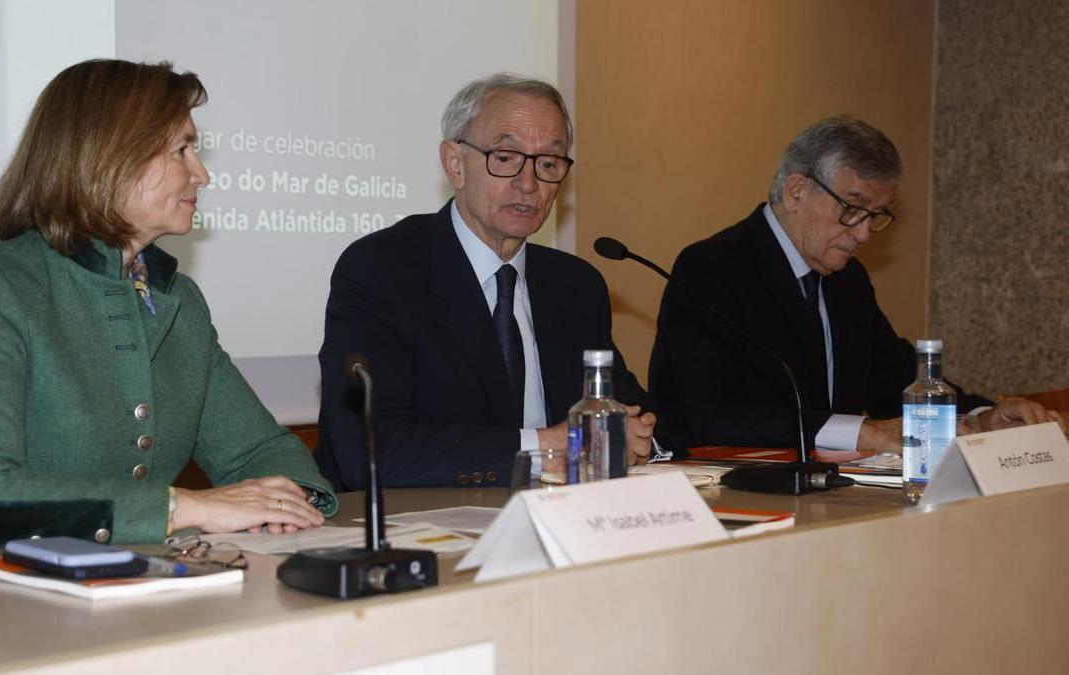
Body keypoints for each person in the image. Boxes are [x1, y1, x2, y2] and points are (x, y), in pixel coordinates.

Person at [0, 59, 336, 547]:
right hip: (0, 599)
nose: (202, 175)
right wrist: (186, 507)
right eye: (182, 150)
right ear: (108, 157)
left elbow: (261, 450)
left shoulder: (178, 299)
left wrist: (284, 508)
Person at [315, 73, 683, 490]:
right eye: (506, 157)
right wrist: (544, 446)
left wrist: (641, 438)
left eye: (548, 163)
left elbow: (639, 412)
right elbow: (372, 450)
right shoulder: (383, 269)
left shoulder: (575, 286)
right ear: (455, 164)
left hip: (563, 524)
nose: (528, 183)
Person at [648, 115, 1061, 453]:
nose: (863, 235)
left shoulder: (847, 280)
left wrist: (982, 418)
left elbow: (895, 382)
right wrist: (867, 433)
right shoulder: (713, 267)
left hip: (831, 495)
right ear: (796, 191)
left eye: (876, 216)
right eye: (853, 209)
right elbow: (716, 416)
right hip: (731, 493)